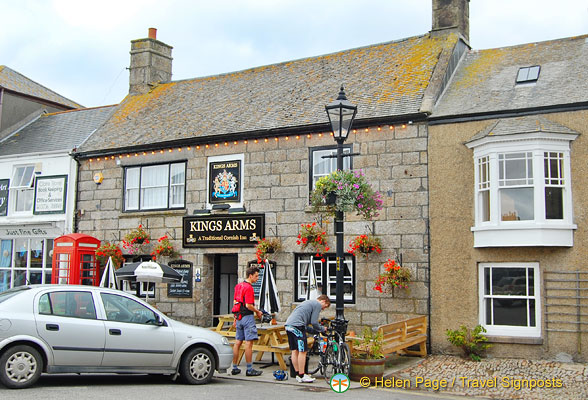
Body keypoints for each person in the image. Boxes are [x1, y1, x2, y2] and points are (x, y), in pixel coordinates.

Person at [285, 294, 331, 383]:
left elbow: (306, 326)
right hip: (297, 327)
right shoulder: (317, 304)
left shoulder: (308, 303)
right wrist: (322, 329)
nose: (322, 309)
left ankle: (298, 374)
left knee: (295, 350)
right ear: (323, 301)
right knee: (303, 351)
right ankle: (302, 375)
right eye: (324, 307)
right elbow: (314, 322)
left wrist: (316, 331)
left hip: (289, 326)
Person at [231, 265, 263, 376]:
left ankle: (234, 367)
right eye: (256, 276)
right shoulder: (249, 288)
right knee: (249, 344)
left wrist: (235, 318)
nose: (257, 278)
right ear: (250, 275)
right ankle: (249, 369)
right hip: (247, 317)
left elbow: (235, 302)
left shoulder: (238, 286)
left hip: (239, 317)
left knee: (238, 342)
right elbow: (249, 305)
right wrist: (257, 311)